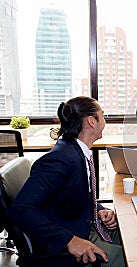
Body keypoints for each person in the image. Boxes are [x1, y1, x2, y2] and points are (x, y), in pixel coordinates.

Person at [9, 97, 125, 267]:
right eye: (103, 116)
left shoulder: (76, 151)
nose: (105, 121)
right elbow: (20, 209)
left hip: (85, 221)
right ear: (92, 122)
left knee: (133, 238)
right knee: (135, 258)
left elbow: (73, 195)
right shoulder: (60, 159)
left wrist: (99, 209)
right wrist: (70, 240)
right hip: (71, 234)